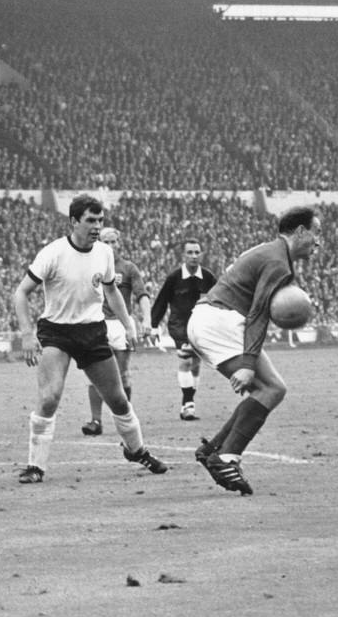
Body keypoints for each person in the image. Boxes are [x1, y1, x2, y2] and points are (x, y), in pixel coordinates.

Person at [11, 195, 168, 484]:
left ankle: (137, 451)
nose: (97, 226)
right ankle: (35, 466)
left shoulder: (104, 254)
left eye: (100, 220)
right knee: (49, 398)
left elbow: (111, 292)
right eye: (91, 220)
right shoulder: (53, 253)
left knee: (119, 400)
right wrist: (27, 335)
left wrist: (128, 324)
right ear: (73, 221)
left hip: (92, 331)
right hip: (57, 332)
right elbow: (21, 293)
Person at [186, 207, 321, 495]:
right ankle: (226, 457)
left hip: (209, 319)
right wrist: (247, 364)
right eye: (315, 233)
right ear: (300, 232)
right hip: (220, 321)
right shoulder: (277, 262)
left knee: (268, 388)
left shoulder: (273, 253)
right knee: (271, 388)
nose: (318, 242)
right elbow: (259, 311)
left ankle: (214, 449)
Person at [80, 227, 152, 437]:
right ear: (99, 243)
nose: (110, 246)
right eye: (106, 242)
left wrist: (146, 319)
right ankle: (95, 421)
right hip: (96, 323)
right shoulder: (90, 266)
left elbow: (142, 294)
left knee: (121, 375)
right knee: (94, 375)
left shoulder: (128, 268)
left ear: (120, 243)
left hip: (121, 324)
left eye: (114, 242)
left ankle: (125, 420)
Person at [150, 236, 217, 421]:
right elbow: (161, 301)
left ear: (201, 254)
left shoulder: (208, 277)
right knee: (186, 361)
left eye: (197, 252)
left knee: (196, 365)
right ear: (183, 255)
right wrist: (154, 325)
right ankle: (189, 404)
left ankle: (187, 403)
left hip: (201, 326)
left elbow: (221, 298)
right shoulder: (174, 277)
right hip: (179, 325)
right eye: (190, 252)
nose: (194, 256)